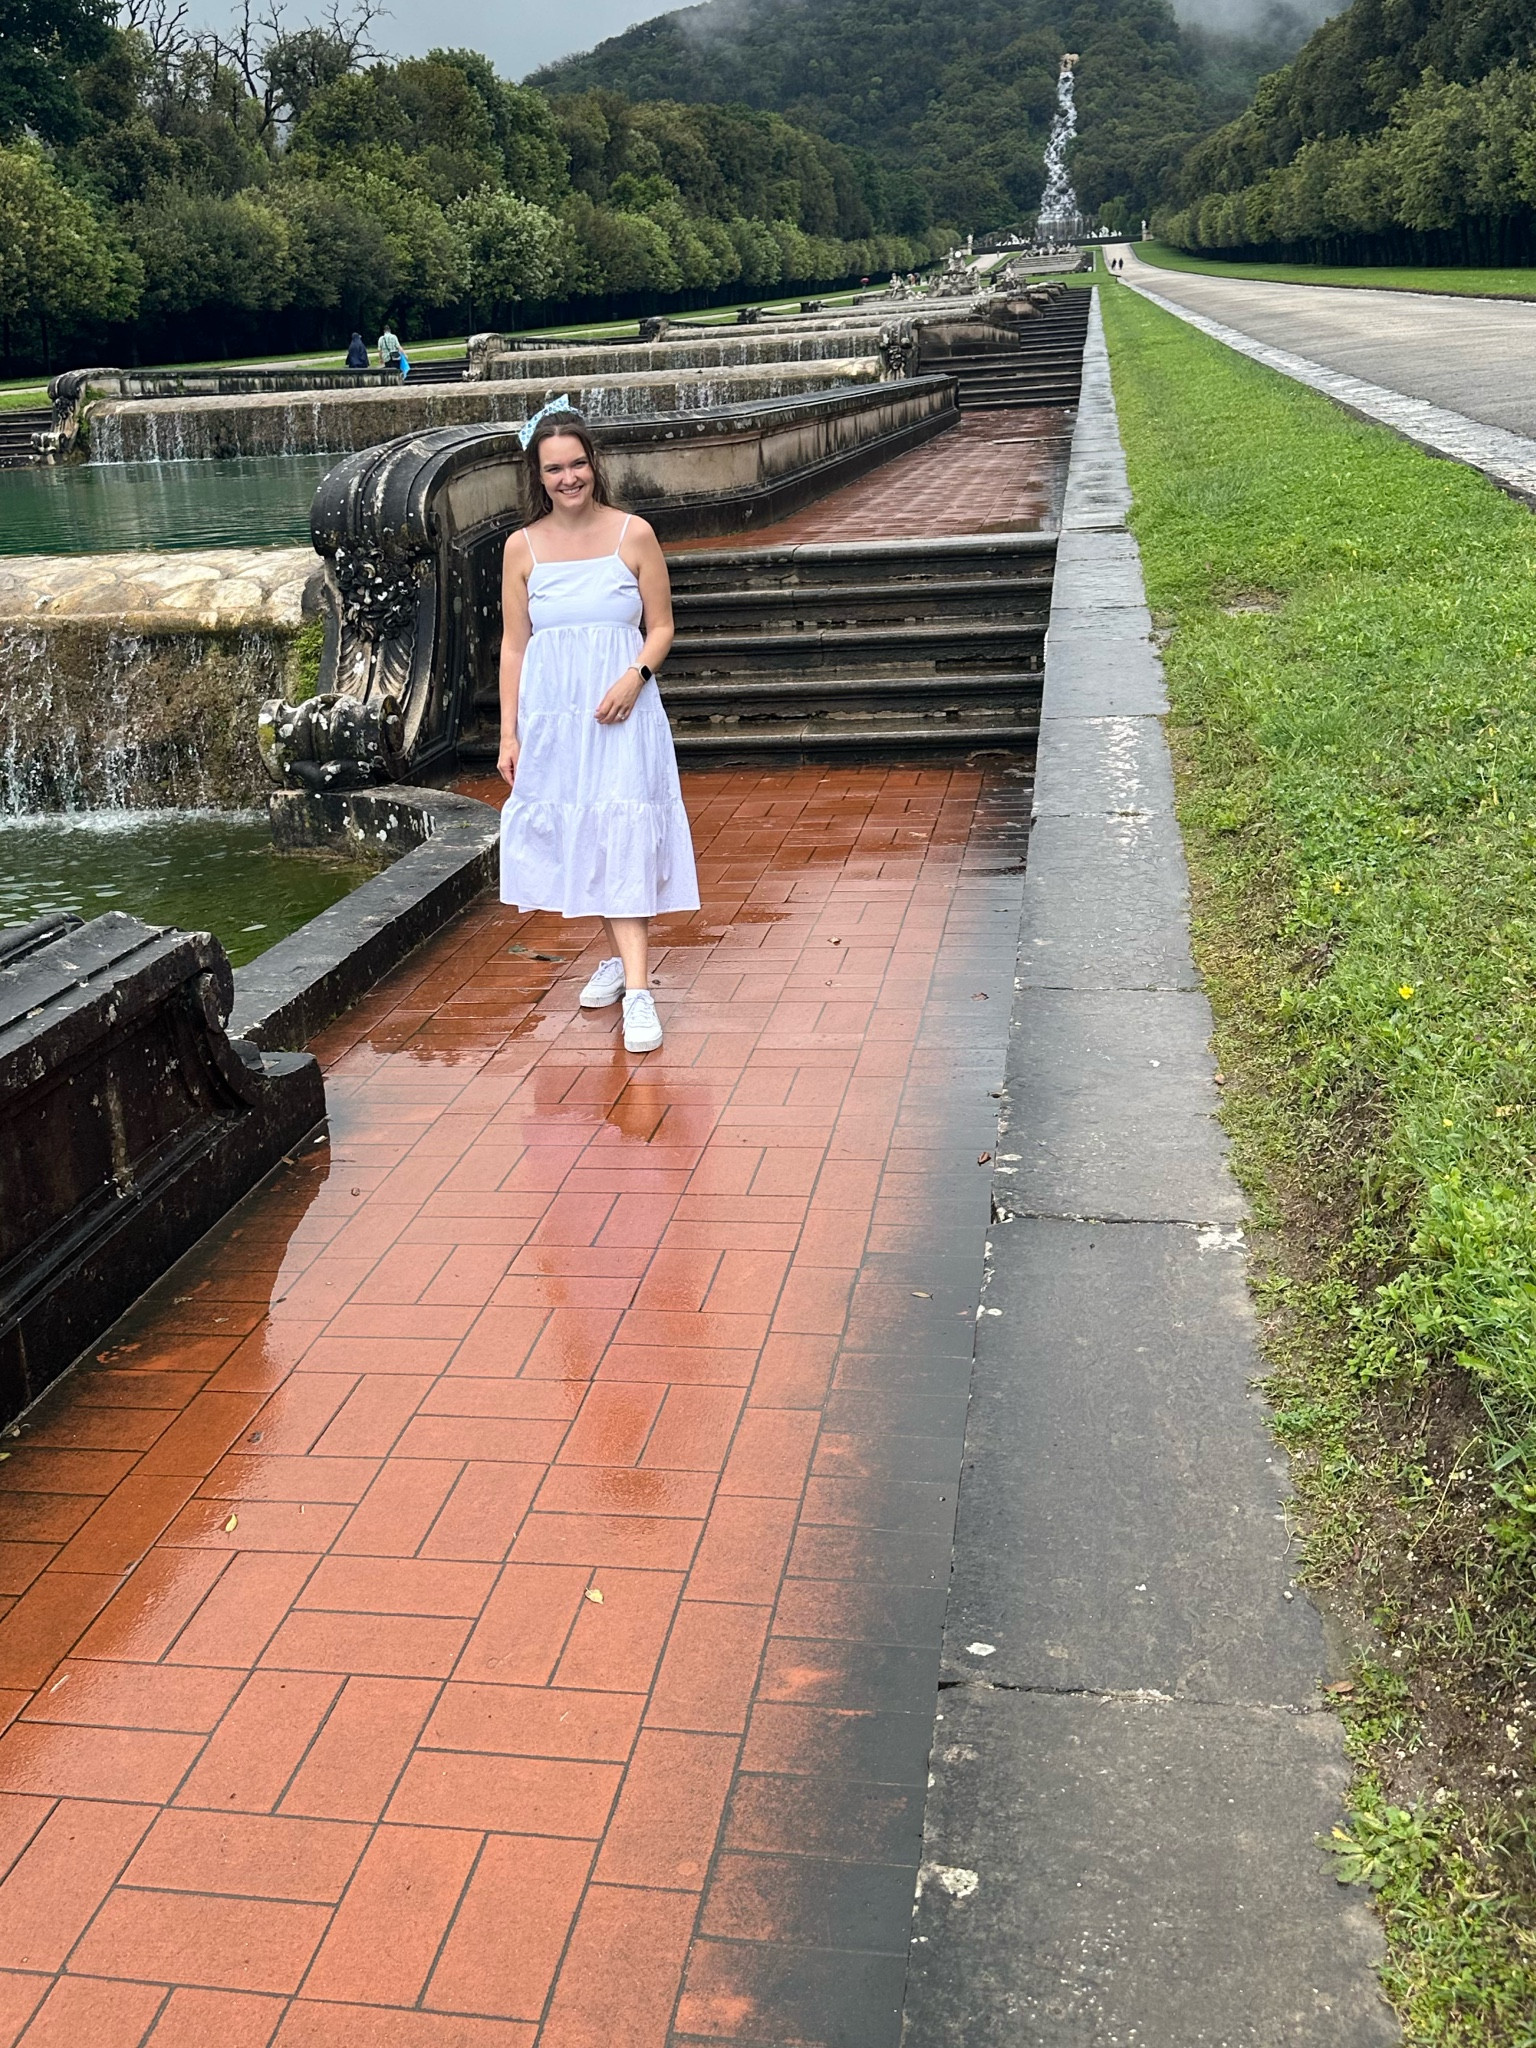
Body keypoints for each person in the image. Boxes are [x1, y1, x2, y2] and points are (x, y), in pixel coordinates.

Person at [497, 405, 698, 1054]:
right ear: (538, 475)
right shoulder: (520, 548)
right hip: (555, 721)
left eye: (577, 463)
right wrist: (510, 734)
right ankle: (620, 959)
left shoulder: (632, 534)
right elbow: (514, 648)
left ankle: (638, 991)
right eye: (553, 468)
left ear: (594, 464)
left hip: (623, 715)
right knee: (586, 835)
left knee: (621, 832)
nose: (568, 478)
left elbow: (662, 626)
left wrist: (633, 678)